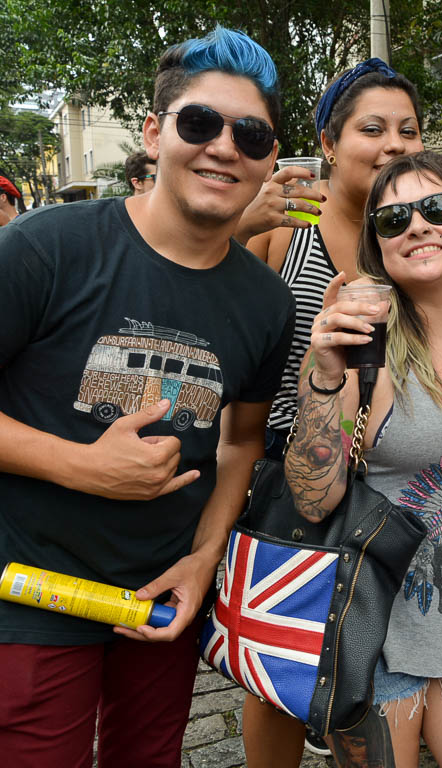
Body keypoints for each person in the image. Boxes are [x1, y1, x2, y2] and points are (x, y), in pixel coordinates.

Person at [0, 26, 295, 768]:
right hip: (30, 593)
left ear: (270, 158)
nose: (224, 148)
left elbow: (241, 441)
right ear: (155, 133)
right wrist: (81, 466)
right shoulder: (45, 247)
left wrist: (204, 561)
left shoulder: (267, 302)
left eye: (251, 135)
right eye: (200, 123)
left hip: (161, 598)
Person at [286, 151, 442, 767]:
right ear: (378, 246)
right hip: (367, 641)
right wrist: (326, 373)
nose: (418, 226)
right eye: (393, 219)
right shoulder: (358, 347)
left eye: (438, 208)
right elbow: (313, 498)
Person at [235, 58, 426, 766]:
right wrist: (235, 230)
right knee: (283, 664)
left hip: (401, 477)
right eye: (372, 128)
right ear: (327, 143)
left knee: (380, 656)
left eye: (408, 129)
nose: (393, 144)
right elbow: (226, 333)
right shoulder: (287, 231)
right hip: (295, 475)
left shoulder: (422, 233)